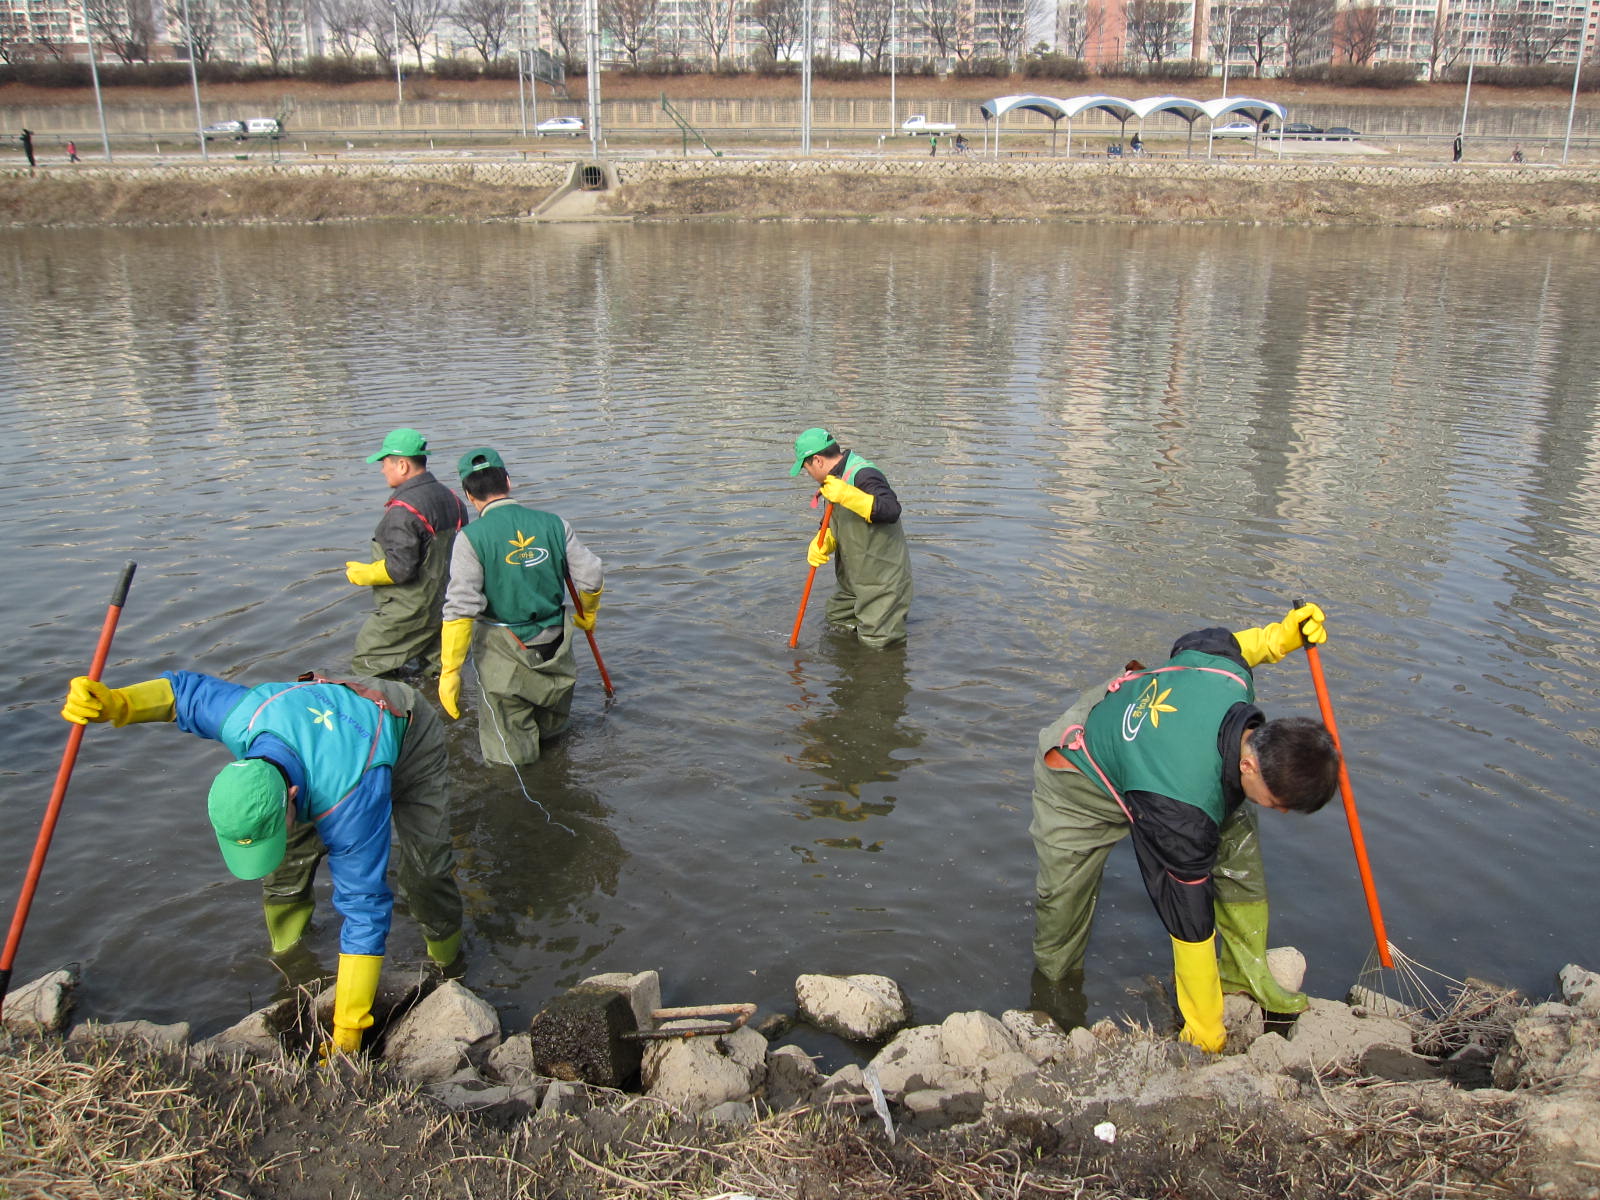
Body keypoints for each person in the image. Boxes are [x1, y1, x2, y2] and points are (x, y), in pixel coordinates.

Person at [60, 668, 465, 1055]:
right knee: (285, 869)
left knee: (426, 871)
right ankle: (288, 955)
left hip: (402, 732)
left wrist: (348, 1029)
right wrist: (114, 703)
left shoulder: (349, 798)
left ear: (291, 796)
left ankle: (449, 968)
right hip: (318, 732)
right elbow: (181, 693)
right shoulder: (245, 717)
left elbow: (365, 906)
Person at [1029, 605, 1340, 1052]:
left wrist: (1280, 638)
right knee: (1062, 904)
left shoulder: (1232, 681)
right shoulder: (1183, 815)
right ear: (1250, 764)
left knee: (1239, 841)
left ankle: (1244, 973)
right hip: (1082, 770)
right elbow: (1187, 919)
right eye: (1280, 803)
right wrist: (1205, 1025)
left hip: (1163, 759)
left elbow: (1222, 644)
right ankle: (1054, 1003)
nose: (1283, 813)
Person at [439, 447, 604, 766]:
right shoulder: (555, 524)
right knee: (556, 735)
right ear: (509, 482)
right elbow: (591, 577)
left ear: (469, 495)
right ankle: (559, 778)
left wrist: (450, 672)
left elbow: (461, 609)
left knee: (510, 752)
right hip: (556, 643)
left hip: (506, 652)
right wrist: (589, 611)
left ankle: (523, 804)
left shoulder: (471, 538)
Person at [347, 428, 470, 679]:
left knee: (367, 664)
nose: (382, 470)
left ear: (402, 465)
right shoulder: (452, 499)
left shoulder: (403, 509)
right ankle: (440, 713)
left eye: (384, 463)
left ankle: (387, 713)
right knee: (438, 671)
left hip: (409, 610)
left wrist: (365, 574)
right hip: (443, 605)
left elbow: (400, 569)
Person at [791, 427, 912, 650]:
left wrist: (848, 495)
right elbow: (835, 517)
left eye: (806, 468)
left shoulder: (863, 474)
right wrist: (823, 539)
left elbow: (890, 509)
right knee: (837, 619)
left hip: (882, 579)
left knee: (878, 646)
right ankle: (847, 668)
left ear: (817, 460)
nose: (809, 475)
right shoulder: (832, 480)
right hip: (853, 577)